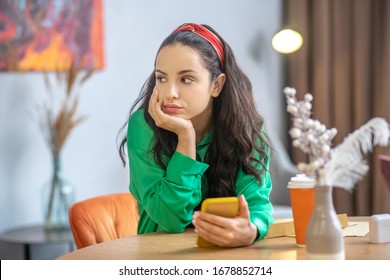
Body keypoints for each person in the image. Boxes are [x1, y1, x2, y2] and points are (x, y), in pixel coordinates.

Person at [118, 23, 274, 247]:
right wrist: (186, 137)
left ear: (217, 85)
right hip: (158, 259)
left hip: (227, 257)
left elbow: (257, 205)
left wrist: (250, 229)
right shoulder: (144, 126)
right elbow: (170, 219)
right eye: (162, 78)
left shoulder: (247, 129)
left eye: (186, 79)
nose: (170, 93)